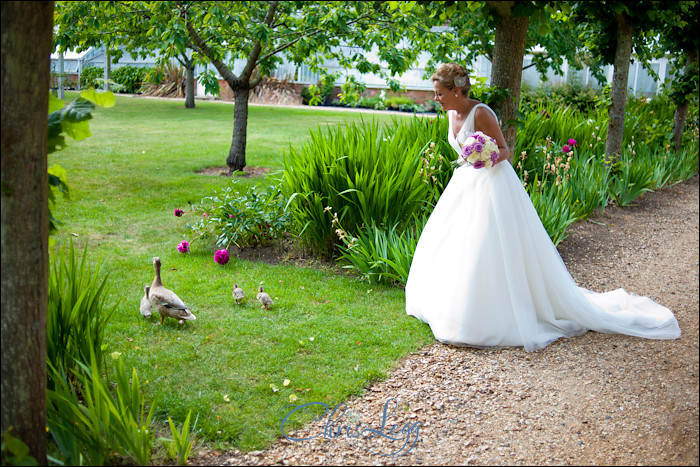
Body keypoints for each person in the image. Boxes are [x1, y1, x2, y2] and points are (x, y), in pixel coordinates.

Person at [405, 63, 681, 352]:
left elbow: (505, 150)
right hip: (464, 185)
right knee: (455, 244)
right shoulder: (451, 114)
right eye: (435, 94)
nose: (436, 99)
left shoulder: (481, 113)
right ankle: (451, 303)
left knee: (484, 245)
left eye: (440, 93)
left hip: (491, 185)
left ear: (457, 90)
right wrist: (471, 160)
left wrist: (484, 158)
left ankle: (484, 315)